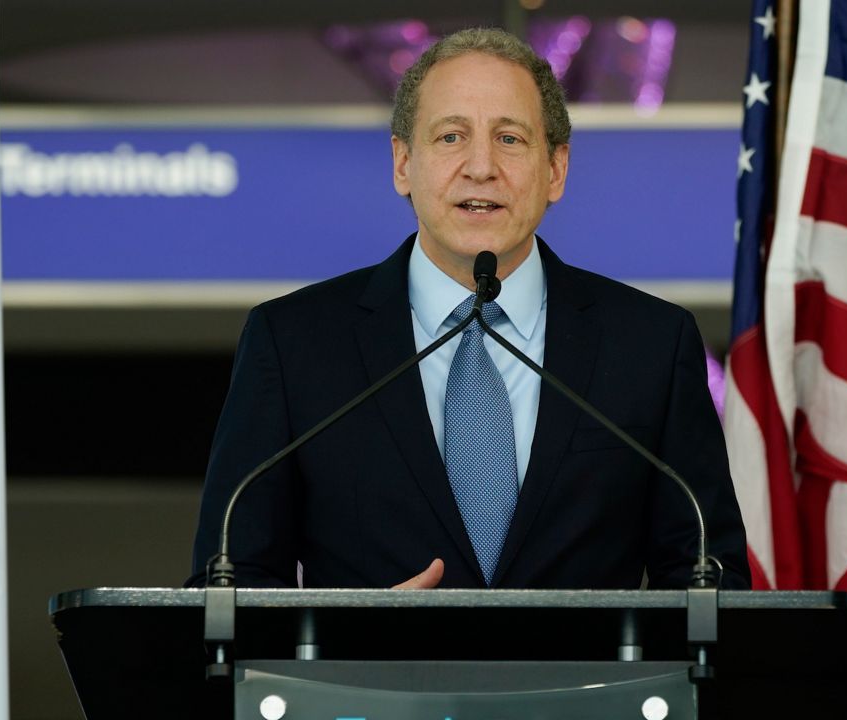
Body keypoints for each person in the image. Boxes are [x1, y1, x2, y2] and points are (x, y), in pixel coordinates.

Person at [188, 27, 749, 590]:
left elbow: (708, 581)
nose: (481, 167)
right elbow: (228, 589)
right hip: (362, 681)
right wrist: (346, 636)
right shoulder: (292, 344)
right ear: (403, 162)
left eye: (510, 139)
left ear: (555, 169)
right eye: (451, 137)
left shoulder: (652, 344)